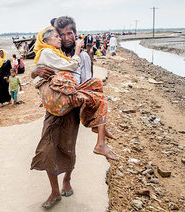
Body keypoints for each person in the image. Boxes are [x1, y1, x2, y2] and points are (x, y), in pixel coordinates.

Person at [30, 16, 116, 209]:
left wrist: (81, 101)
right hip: (54, 108)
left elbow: (87, 82)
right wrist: (36, 72)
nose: (66, 37)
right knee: (48, 146)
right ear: (57, 36)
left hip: (73, 107)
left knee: (68, 147)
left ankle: (67, 179)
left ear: (75, 34)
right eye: (62, 34)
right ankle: (54, 192)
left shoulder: (83, 57)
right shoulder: (53, 52)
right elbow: (35, 72)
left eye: (70, 33)